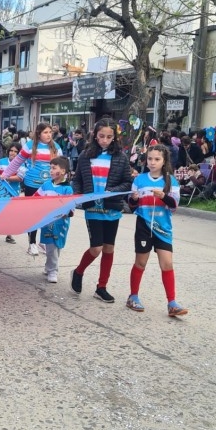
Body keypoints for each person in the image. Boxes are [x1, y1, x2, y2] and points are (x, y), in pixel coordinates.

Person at [69, 119, 133, 302]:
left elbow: (127, 182)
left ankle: (101, 287)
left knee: (109, 248)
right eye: (101, 136)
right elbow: (77, 180)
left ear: (114, 137)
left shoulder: (121, 157)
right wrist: (76, 195)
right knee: (96, 248)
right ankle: (78, 272)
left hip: (112, 208)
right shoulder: (85, 155)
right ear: (95, 135)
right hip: (93, 208)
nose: (105, 140)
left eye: (109, 137)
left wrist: (112, 191)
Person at [125, 145, 188, 317]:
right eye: (150, 159)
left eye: (157, 159)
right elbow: (132, 207)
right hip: (144, 227)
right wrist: (133, 199)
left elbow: (174, 206)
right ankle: (133, 296)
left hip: (163, 228)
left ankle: (172, 303)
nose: (153, 162)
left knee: (167, 264)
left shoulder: (171, 181)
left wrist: (163, 196)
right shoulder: (139, 180)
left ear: (164, 161)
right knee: (141, 263)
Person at [0, 122, 63, 256]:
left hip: (48, 187)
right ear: (39, 133)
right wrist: (5, 175)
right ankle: (32, 243)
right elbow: (17, 162)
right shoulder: (29, 146)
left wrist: (62, 182)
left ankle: (43, 241)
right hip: (31, 185)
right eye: (45, 132)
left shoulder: (56, 147)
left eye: (50, 132)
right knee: (34, 215)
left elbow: (62, 166)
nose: (48, 135)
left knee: (47, 215)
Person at [34, 156, 74, 283]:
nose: (51, 171)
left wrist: (65, 212)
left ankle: (50, 267)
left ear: (63, 171)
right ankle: (52, 270)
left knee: (57, 246)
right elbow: (35, 198)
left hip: (61, 223)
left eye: (54, 168)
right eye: (50, 168)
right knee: (50, 246)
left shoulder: (67, 189)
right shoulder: (46, 185)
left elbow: (71, 207)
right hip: (47, 222)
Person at [0, 142, 22, 244]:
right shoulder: (1, 161)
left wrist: (6, 177)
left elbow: (20, 178)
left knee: (11, 213)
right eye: (11, 151)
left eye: (15, 151)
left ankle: (9, 235)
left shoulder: (21, 164)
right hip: (0, 191)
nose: (12, 153)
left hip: (13, 191)